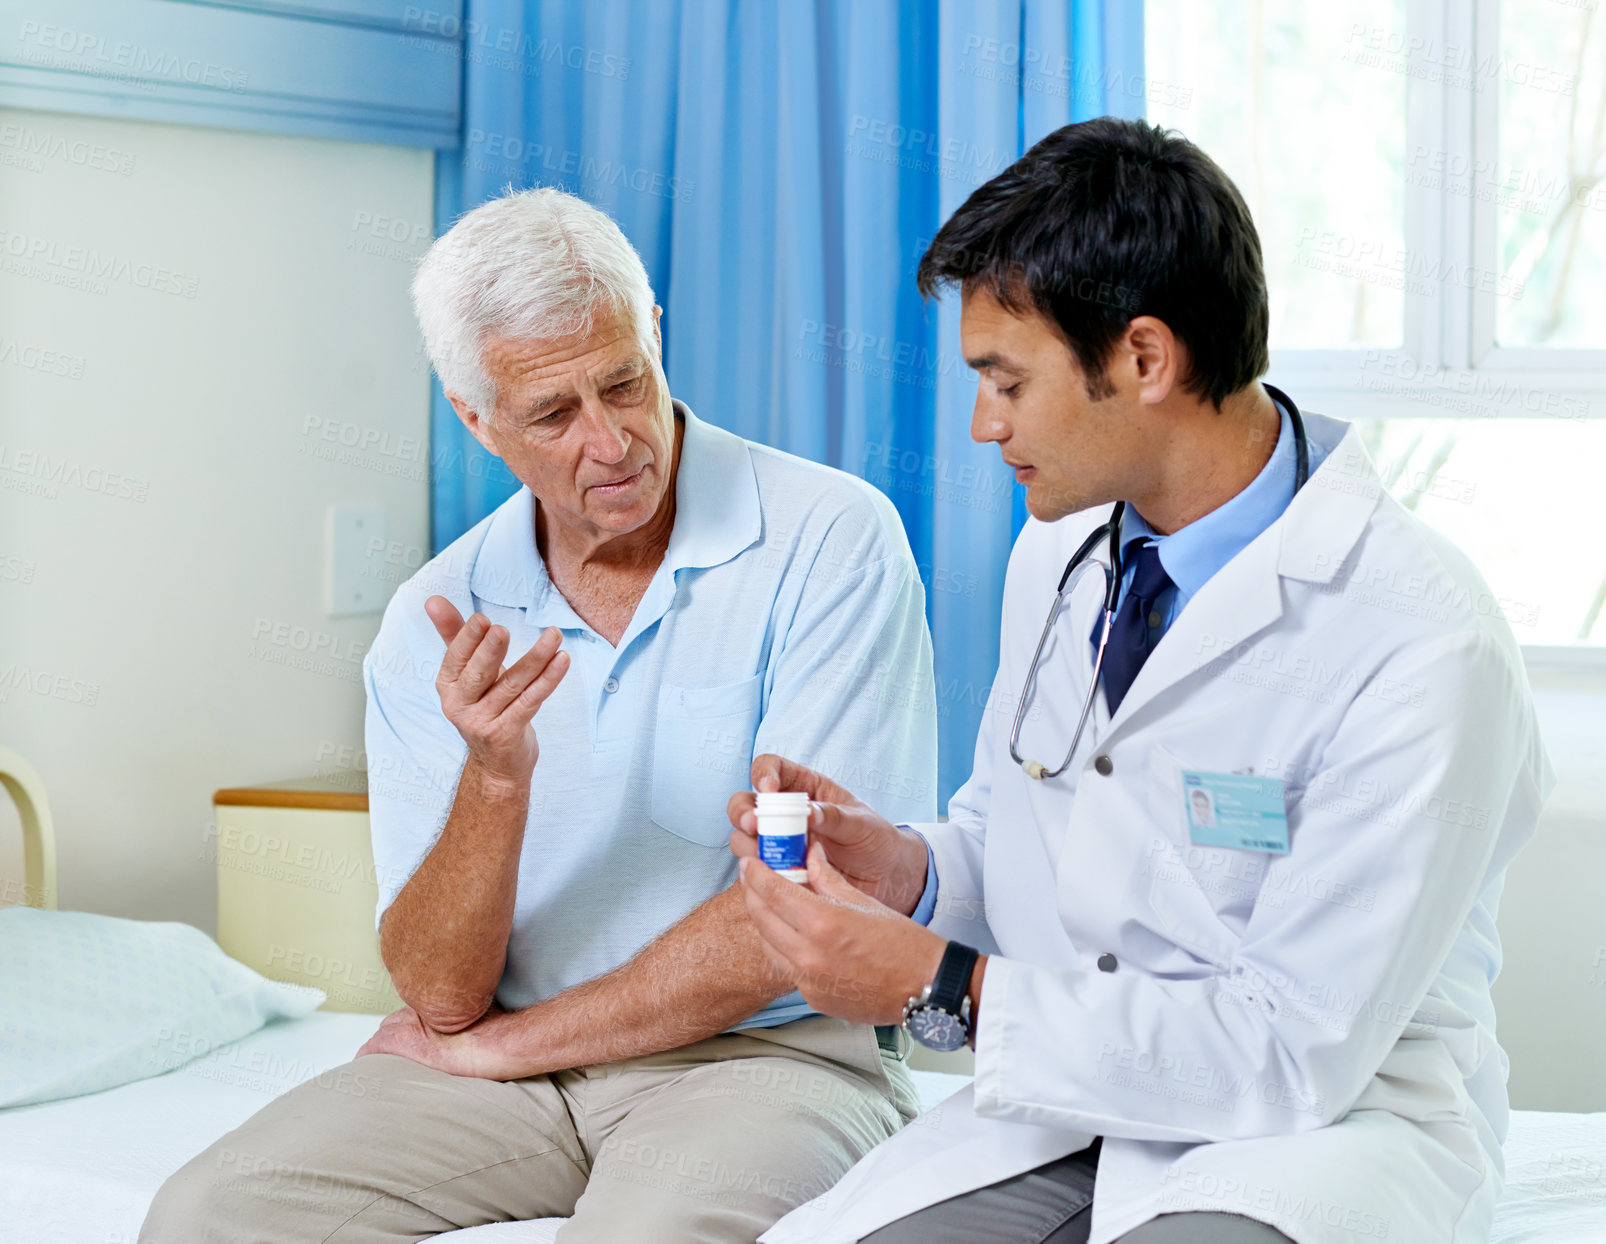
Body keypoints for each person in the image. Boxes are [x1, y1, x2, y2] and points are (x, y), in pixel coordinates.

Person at [730, 118, 1553, 1244]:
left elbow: (1293, 1044)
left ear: (1145, 358)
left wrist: (950, 986)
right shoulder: (1056, 557)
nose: (981, 424)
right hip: (1073, 1105)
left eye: (1005, 380)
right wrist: (913, 872)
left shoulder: (1421, 641)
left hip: (1317, 1130)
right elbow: (1029, 850)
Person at [140, 187, 935, 1243]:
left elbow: (794, 918)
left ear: (651, 336)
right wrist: (495, 779)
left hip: (766, 1054)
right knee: (208, 1214)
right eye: (554, 414)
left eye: (623, 382)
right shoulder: (439, 614)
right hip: (512, 1075)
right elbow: (437, 993)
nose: (611, 442)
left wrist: (508, 1045)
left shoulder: (830, 537)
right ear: (475, 419)